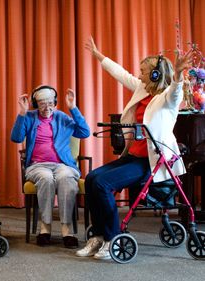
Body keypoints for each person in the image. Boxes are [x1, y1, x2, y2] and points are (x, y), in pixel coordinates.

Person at [76, 37, 192, 260]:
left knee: (102, 184)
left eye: (143, 71)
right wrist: (100, 56)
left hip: (151, 161)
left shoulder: (167, 98)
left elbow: (176, 92)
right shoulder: (142, 89)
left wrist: (177, 75)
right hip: (133, 155)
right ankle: (98, 236)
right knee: (91, 178)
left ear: (155, 75)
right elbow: (122, 74)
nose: (138, 75)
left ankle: (112, 239)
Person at [10, 86, 90, 249]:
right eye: (41, 104)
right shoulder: (30, 117)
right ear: (35, 104)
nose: (47, 108)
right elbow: (16, 137)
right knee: (46, 179)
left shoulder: (61, 117)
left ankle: (67, 230)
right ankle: (45, 228)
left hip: (63, 165)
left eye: (50, 103)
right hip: (37, 166)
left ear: (55, 102)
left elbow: (84, 132)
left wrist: (73, 108)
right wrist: (22, 113)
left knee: (66, 177)